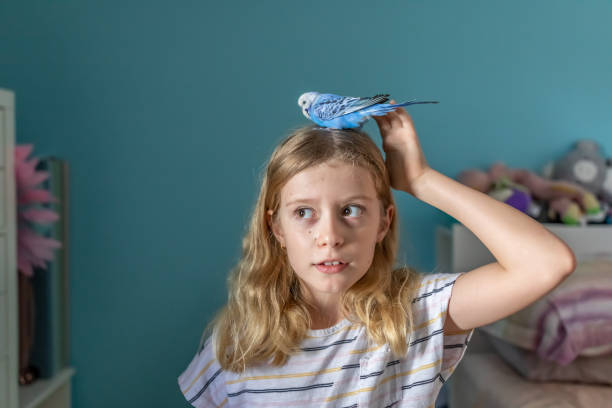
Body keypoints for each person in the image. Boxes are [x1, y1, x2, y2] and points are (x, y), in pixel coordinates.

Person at [177, 103, 576, 407]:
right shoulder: (235, 344)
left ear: (383, 224)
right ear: (276, 228)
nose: (329, 236)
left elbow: (547, 264)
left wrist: (422, 181)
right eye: (304, 213)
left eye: (350, 210)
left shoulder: (417, 313)